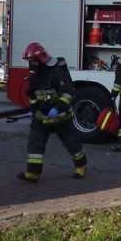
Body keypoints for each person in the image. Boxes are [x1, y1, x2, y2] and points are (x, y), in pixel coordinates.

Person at [18, 42, 87, 182]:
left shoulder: (55, 72)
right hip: (41, 117)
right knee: (35, 143)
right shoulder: (34, 76)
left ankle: (81, 165)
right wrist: (32, 110)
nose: (31, 65)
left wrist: (57, 108)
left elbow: (69, 93)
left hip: (61, 117)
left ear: (40, 60)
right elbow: (33, 96)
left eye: (32, 61)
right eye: (29, 62)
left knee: (71, 142)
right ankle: (33, 173)